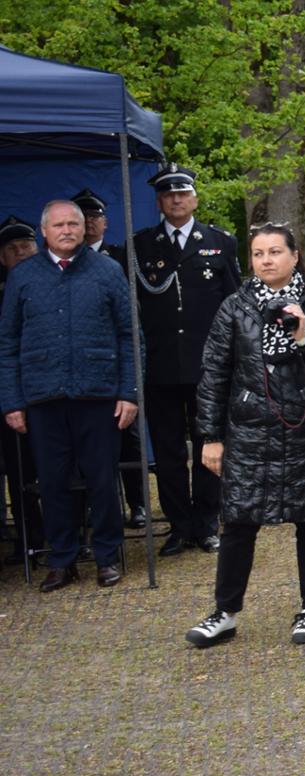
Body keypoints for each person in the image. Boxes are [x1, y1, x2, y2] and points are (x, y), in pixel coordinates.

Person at [182, 223, 305, 647]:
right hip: (248, 433)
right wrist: (210, 436)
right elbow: (213, 375)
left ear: (295, 256)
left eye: (275, 252)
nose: (266, 261)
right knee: (238, 523)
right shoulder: (235, 307)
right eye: (258, 254)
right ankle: (225, 612)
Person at [0, 199, 140, 591]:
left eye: (73, 224)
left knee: (101, 479)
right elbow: (7, 341)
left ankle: (107, 556)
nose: (66, 231)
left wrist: (129, 393)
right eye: (58, 225)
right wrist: (11, 401)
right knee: (53, 481)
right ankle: (62, 559)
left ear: (84, 230)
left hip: (99, 397)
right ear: (44, 232)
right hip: (43, 397)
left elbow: (131, 335)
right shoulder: (24, 276)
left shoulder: (109, 271)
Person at [131, 164, 238, 555]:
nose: (176, 199)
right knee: (169, 451)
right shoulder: (140, 245)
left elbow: (234, 304)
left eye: (183, 193)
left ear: (194, 198)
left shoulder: (220, 242)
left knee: (209, 446)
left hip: (207, 367)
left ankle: (208, 523)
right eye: (168, 194)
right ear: (160, 201)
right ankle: (179, 526)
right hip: (160, 368)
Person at [73, 188, 149, 530]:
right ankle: (92, 507)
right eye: (83, 217)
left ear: (105, 222)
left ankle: (138, 503)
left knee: (128, 439)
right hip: (80, 364)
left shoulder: (120, 256)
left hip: (116, 361)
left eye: (95, 217)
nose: (89, 223)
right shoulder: (63, 263)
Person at [0, 215, 44, 565]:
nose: (21, 254)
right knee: (19, 471)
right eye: (13, 249)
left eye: (26, 247)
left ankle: (74, 534)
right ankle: (28, 537)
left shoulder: (55, 279)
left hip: (49, 390)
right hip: (12, 393)